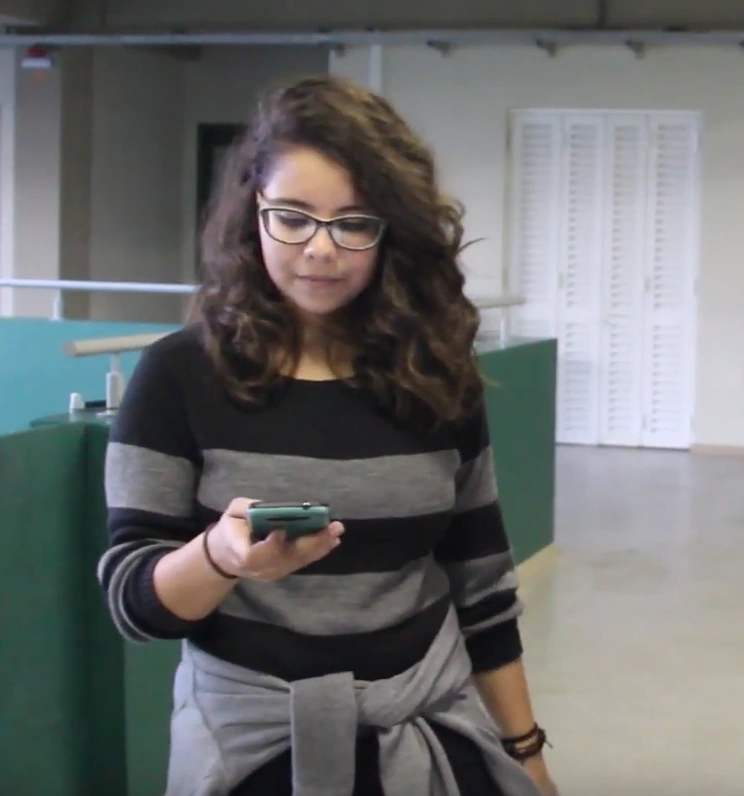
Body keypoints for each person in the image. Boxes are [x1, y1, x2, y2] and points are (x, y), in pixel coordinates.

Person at [96, 75, 554, 796]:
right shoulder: (177, 376)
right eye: (293, 217)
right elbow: (133, 603)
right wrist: (219, 556)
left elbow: (483, 586)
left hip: (428, 733)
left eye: (353, 223)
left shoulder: (434, 373)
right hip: (252, 750)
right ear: (254, 211)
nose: (320, 249)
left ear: (390, 232)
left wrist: (525, 752)